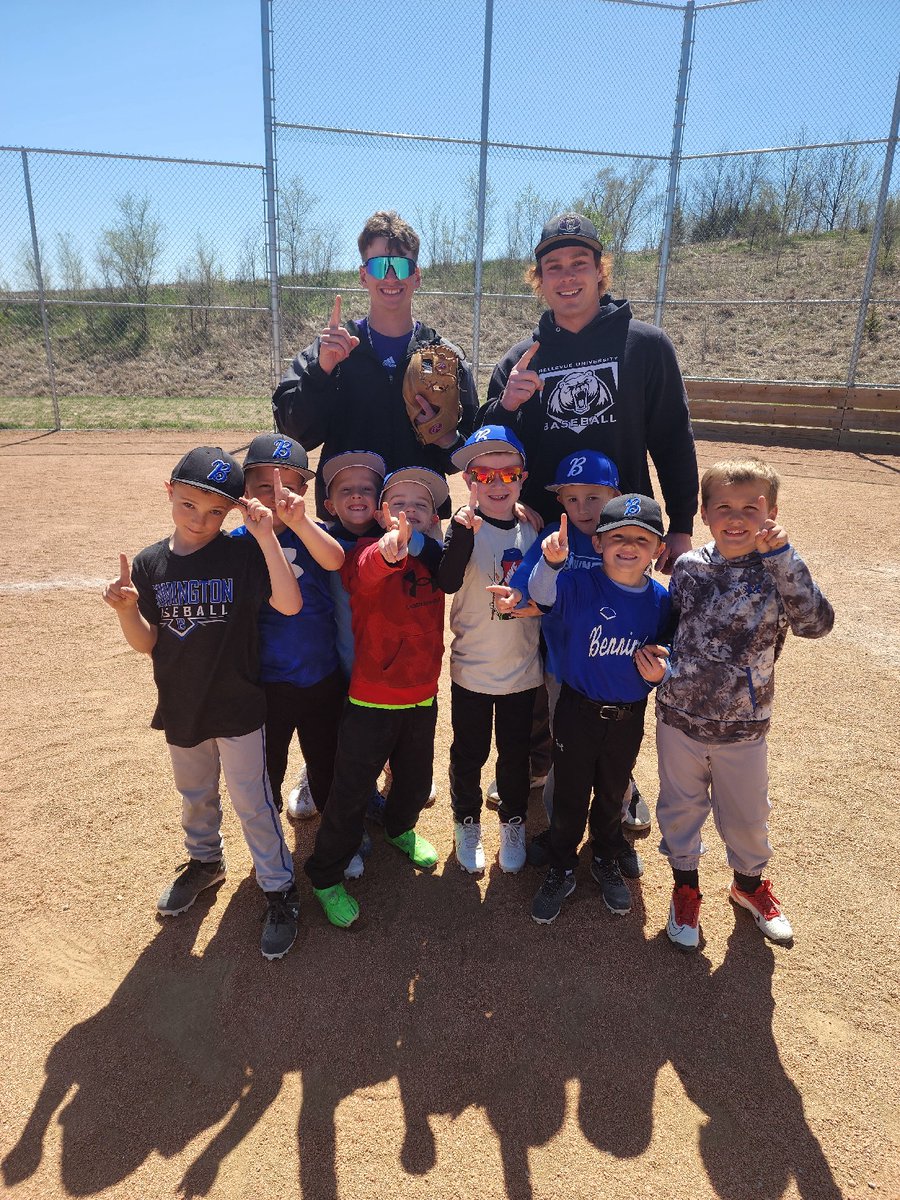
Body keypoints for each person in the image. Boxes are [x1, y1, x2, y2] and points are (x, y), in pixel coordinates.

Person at [101, 446, 303, 960]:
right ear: (170, 492)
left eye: (216, 511)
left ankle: (279, 887)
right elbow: (149, 642)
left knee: (253, 802)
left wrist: (263, 537)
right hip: (182, 704)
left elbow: (289, 602)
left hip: (238, 705)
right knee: (195, 794)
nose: (201, 520)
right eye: (189, 504)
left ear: (232, 511)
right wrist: (127, 611)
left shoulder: (240, 553)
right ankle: (205, 862)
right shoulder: (150, 564)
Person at [655, 458, 834, 950]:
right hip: (680, 718)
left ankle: (749, 887)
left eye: (750, 508)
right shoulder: (689, 568)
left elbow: (816, 624)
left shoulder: (779, 570)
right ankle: (686, 890)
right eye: (724, 508)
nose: (736, 519)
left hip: (744, 725)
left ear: (772, 512)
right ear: (706, 514)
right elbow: (670, 629)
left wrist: (785, 559)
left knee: (748, 816)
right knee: (680, 809)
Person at [477, 211, 698, 573]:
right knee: (545, 627)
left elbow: (672, 438)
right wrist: (506, 406)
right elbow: (491, 447)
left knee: (621, 629)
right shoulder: (520, 360)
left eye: (579, 263)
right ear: (540, 279)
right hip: (542, 538)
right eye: (554, 266)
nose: (567, 276)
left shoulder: (645, 345)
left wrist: (681, 525)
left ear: (599, 271)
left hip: (623, 532)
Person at [304, 467, 448, 929]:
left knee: (415, 779)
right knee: (349, 795)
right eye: (399, 504)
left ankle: (400, 830)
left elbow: (460, 559)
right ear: (384, 513)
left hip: (422, 695)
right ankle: (325, 876)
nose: (409, 512)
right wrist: (389, 551)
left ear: (432, 519)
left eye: (421, 506)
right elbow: (368, 572)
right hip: (371, 699)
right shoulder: (365, 551)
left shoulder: (437, 559)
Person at [272, 210, 478, 519]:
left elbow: (464, 457)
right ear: (363, 275)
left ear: (417, 276)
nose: (391, 277)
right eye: (380, 265)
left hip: (418, 518)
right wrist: (322, 372)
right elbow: (297, 435)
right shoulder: (334, 349)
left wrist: (443, 432)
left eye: (401, 265)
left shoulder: (441, 356)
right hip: (349, 520)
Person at [527, 495, 672, 924]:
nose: (629, 546)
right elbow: (540, 594)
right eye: (618, 537)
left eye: (641, 539)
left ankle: (605, 855)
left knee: (612, 791)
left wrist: (662, 671)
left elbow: (671, 650)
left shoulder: (660, 600)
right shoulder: (579, 584)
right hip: (578, 708)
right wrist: (551, 563)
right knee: (570, 791)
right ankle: (562, 862)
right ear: (598, 543)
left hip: (628, 714)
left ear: (657, 550)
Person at [496, 449, 651, 849]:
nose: (582, 508)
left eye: (594, 498)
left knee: (614, 751)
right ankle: (561, 832)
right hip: (564, 667)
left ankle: (614, 820)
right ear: (560, 500)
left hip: (615, 671)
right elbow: (528, 583)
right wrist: (517, 597)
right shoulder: (555, 536)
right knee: (567, 752)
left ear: (615, 495)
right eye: (572, 498)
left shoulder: (624, 540)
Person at [437, 426, 543, 874]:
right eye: (484, 475)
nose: (497, 484)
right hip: (473, 671)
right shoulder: (462, 527)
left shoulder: (534, 528)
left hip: (523, 671)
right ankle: (466, 820)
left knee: (516, 754)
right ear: (469, 481)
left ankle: (513, 821)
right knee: (470, 752)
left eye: (508, 474)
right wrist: (462, 534)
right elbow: (445, 581)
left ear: (522, 479)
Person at [231, 434, 345, 819]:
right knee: (267, 771)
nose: (277, 495)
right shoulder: (236, 543)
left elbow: (334, 560)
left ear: (304, 491)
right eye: (264, 486)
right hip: (266, 683)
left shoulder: (311, 529)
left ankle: (335, 842)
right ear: (245, 490)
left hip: (321, 675)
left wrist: (300, 522)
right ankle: (271, 845)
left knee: (327, 763)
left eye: (289, 486)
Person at [283, 448, 386, 821]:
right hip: (333, 662)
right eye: (345, 490)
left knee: (371, 733)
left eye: (366, 488)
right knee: (331, 733)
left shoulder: (393, 539)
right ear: (328, 504)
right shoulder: (319, 539)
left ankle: (372, 783)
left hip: (378, 664)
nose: (356, 495)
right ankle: (315, 775)